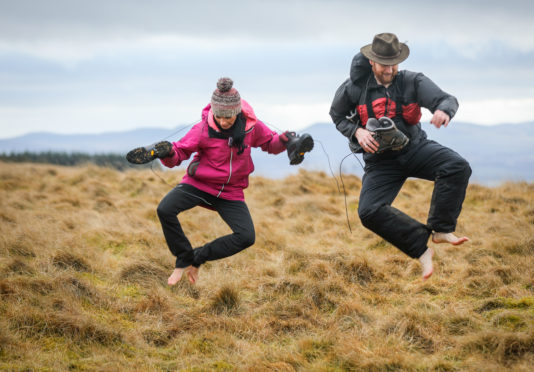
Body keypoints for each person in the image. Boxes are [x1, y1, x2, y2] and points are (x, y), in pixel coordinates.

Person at [126, 77, 313, 285]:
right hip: (199, 184)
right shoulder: (202, 129)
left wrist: (287, 142)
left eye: (229, 117)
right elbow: (180, 153)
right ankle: (183, 256)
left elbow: (270, 143)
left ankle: (198, 257)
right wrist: (168, 152)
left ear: (237, 112)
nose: (223, 121)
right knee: (165, 209)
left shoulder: (252, 127)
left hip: (231, 192)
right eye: (219, 116)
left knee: (246, 237)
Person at [330, 33, 472, 280]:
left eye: (394, 63)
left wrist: (443, 111)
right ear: (372, 62)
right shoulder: (353, 88)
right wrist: (357, 131)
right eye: (384, 64)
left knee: (457, 166)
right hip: (380, 161)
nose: (390, 69)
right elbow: (337, 115)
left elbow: (446, 99)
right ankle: (421, 249)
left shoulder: (411, 80)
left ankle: (441, 229)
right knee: (368, 211)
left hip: (415, 149)